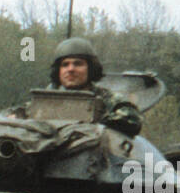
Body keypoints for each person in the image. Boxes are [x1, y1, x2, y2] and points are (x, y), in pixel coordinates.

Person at [15, 38, 143, 137]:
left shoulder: (105, 98)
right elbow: (13, 115)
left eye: (78, 64)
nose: (70, 69)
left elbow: (132, 119)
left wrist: (93, 122)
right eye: (65, 65)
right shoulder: (47, 100)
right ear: (58, 71)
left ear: (91, 68)